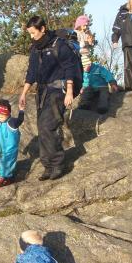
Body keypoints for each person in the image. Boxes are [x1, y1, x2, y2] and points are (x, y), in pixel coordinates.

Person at [19, 16, 80, 181]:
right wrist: (24, 93)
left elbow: (69, 68)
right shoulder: (35, 48)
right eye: (29, 34)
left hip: (58, 91)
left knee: (48, 126)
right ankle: (48, 166)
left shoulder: (58, 44)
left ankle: (57, 164)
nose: (32, 37)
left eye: (33, 33)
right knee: (41, 127)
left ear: (43, 29)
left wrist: (69, 92)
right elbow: (31, 73)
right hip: (42, 92)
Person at [0, 99, 25, 187]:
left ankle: (8, 177)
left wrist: (21, 110)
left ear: (8, 114)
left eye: (2, 117)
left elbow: (20, 120)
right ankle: (3, 176)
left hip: (10, 148)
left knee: (8, 161)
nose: (0, 119)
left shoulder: (12, 122)